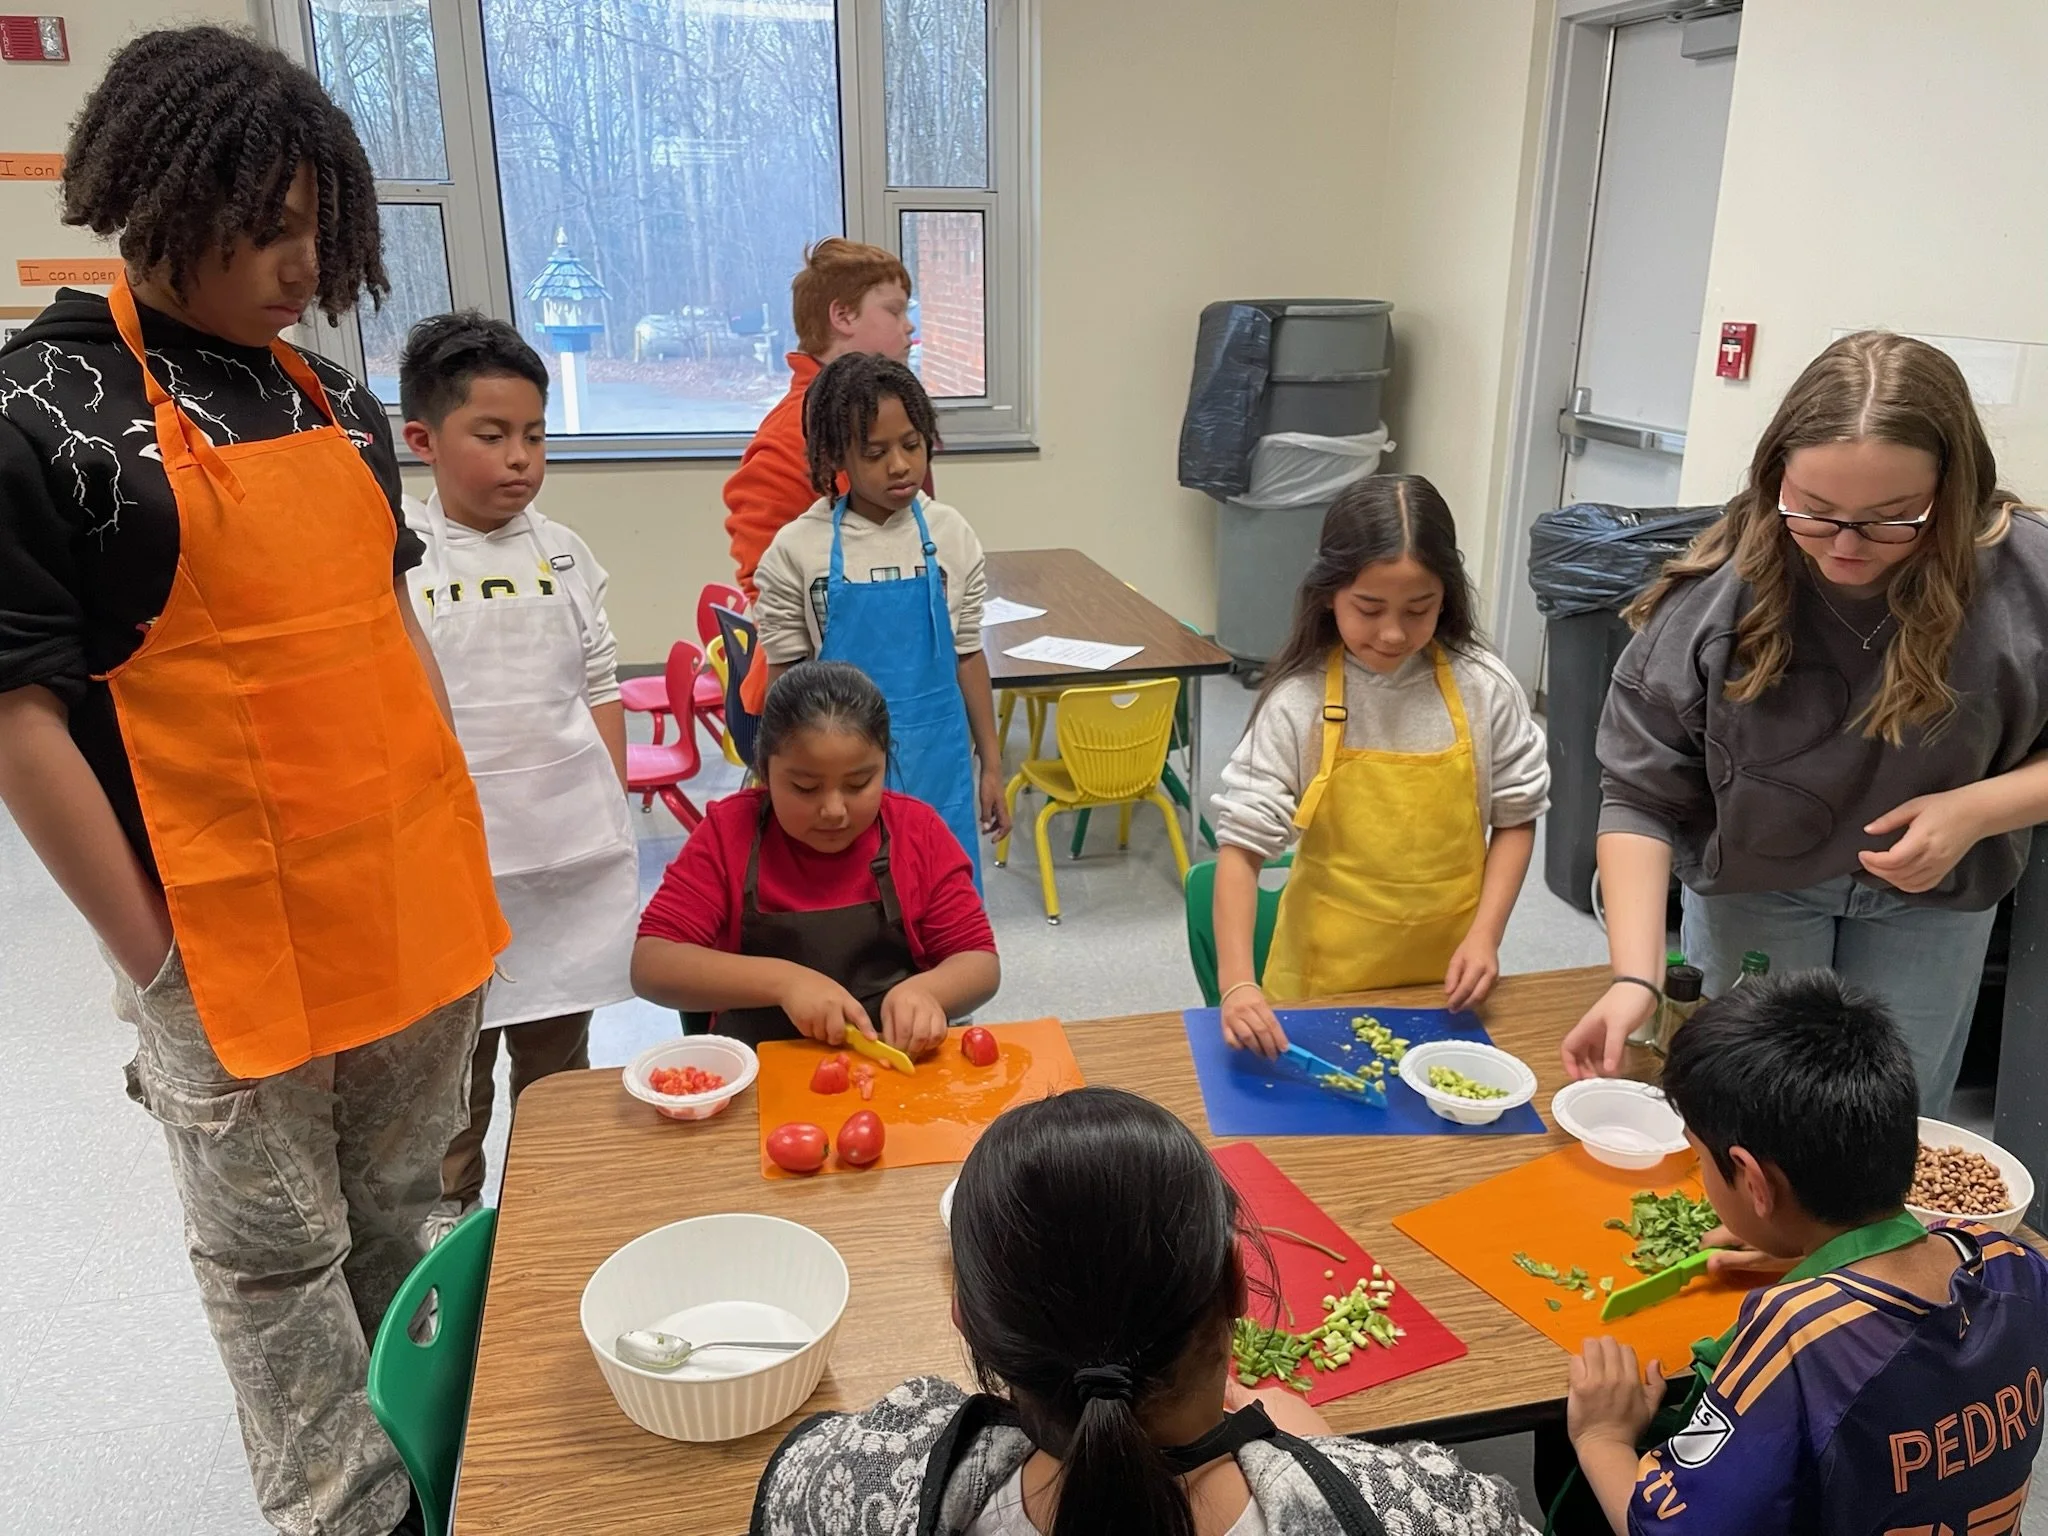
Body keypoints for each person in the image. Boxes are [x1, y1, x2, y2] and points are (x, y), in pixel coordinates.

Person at [0, 27, 506, 1536]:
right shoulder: (44, 414)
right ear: (157, 192)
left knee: (410, 1224)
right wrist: (153, 962)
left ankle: (451, 1476)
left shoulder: (336, 405)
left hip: (408, 908)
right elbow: (21, 720)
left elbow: (388, 626)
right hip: (224, 944)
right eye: (268, 226)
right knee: (277, 1270)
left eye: (320, 231)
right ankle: (355, 1518)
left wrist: (459, 832)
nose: (304, 263)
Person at [1562, 333, 2048, 1113]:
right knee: (1761, 1111)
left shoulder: (2025, 576)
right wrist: (1633, 975)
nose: (1847, 546)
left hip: (1932, 899)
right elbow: (1638, 793)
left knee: (1893, 1123)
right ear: (1775, 478)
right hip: (1761, 887)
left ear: (1955, 490)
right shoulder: (1720, 593)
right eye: (1815, 513)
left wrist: (1977, 810)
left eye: (1893, 519)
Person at [754, 1086, 1534, 1534]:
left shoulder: (867, 1479)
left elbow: (796, 1480)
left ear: (967, 1318)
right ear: (1237, 1286)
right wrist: (1312, 1459)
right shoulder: (1416, 1509)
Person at [1564, 972, 2048, 1536]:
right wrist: (1810, 1251)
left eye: (1699, 1160)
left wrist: (1601, 1437)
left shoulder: (1794, 1333)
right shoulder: (2015, 1263)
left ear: (1753, 1180)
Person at [397, 311, 639, 1217]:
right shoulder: (403, 564)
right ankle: (451, 1234)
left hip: (563, 864)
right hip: (457, 872)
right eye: (491, 436)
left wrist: (609, 805)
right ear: (422, 439)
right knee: (454, 1085)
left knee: (555, 1068)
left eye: (534, 436)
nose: (519, 460)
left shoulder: (567, 551)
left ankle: (556, 1213)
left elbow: (603, 682)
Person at [1210, 475, 1550, 1057]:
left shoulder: (1484, 687)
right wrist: (1237, 983)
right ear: (1328, 595)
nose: (1393, 633)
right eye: (1369, 609)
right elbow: (1241, 850)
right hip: (1322, 979)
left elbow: (1516, 817)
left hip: (1448, 979)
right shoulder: (1300, 701)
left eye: (1419, 610)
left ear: (1446, 598)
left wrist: (1486, 937)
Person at [632, 661, 998, 1054]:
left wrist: (927, 992)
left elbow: (979, 962)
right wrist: (785, 982)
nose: (834, 810)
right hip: (761, 1072)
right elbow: (652, 964)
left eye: (859, 784)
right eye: (805, 787)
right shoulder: (729, 832)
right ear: (764, 770)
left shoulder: (917, 832)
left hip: (890, 1070)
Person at [751, 352, 1008, 883]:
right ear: (836, 455)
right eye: (875, 452)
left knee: (939, 899)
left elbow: (966, 654)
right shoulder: (799, 549)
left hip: (939, 760)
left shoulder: (952, 536)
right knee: (851, 906)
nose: (899, 465)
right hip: (836, 776)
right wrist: (769, 777)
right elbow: (785, 678)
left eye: (912, 446)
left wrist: (993, 765)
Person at [724, 236, 924, 715]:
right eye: (894, 311)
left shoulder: (883, 413)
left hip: (884, 675)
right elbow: (766, 582)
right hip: (815, 702)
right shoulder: (793, 432)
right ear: (843, 317)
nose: (908, 325)